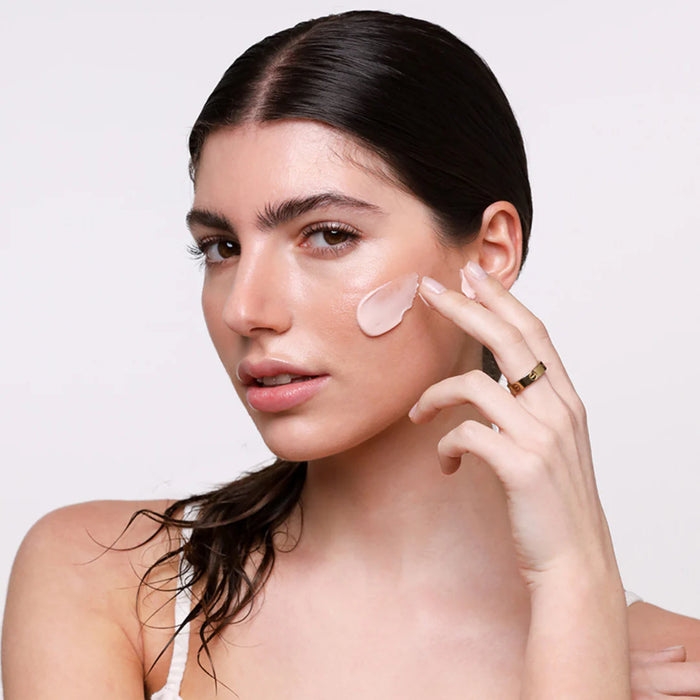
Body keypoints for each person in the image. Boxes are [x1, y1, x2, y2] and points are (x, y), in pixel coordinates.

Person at [3, 9, 700, 699]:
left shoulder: (678, 665)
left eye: (329, 235)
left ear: (490, 252)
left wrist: (576, 594)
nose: (245, 308)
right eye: (222, 247)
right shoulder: (100, 577)